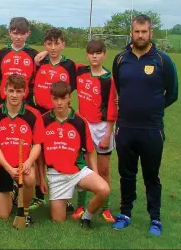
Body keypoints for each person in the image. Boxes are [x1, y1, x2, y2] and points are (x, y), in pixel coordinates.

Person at [111, 14, 178, 237]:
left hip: (152, 129)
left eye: (144, 31)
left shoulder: (162, 60)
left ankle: (155, 218)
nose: (140, 35)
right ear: (131, 33)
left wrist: (153, 109)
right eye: (137, 31)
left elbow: (173, 93)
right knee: (126, 174)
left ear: (151, 33)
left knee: (151, 176)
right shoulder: (121, 59)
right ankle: (125, 213)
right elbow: (120, 87)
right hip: (125, 128)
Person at [38, 81, 110, 229]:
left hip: (78, 171)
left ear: (70, 97)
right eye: (55, 99)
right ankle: (64, 202)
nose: (59, 103)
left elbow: (90, 152)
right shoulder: (43, 120)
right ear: (51, 98)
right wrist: (41, 178)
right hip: (55, 175)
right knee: (58, 221)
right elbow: (39, 155)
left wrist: (95, 173)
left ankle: (87, 217)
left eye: (63, 98)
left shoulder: (80, 121)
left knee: (104, 189)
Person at [0, 74, 44, 225]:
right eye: (11, 91)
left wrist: (29, 162)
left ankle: (25, 211)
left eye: (18, 91)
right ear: (4, 91)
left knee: (29, 178)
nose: (14, 95)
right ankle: (11, 191)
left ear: (24, 93)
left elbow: (37, 145)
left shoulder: (34, 115)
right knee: (3, 215)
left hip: (23, 165)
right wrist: (9, 168)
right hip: (3, 166)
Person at [31, 27, 77, 209]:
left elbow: (70, 90)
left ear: (63, 44)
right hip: (41, 114)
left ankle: (65, 198)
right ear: (45, 45)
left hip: (60, 116)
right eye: (49, 44)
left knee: (62, 153)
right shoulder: (39, 63)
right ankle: (39, 195)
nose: (53, 47)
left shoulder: (69, 66)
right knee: (38, 154)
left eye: (57, 43)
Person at [73, 39, 117, 223]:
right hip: (84, 126)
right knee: (84, 168)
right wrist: (41, 54)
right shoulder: (81, 71)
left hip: (102, 127)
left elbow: (112, 111)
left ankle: (105, 208)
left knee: (103, 169)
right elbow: (62, 60)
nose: (94, 56)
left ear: (104, 54)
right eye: (91, 53)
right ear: (87, 54)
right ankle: (81, 206)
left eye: (98, 53)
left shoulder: (108, 79)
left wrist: (107, 134)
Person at [0, 17, 38, 106]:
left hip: (26, 101)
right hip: (3, 100)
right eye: (15, 33)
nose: (18, 37)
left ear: (28, 33)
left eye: (22, 34)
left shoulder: (34, 54)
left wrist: (46, 52)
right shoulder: (2, 52)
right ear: (9, 32)